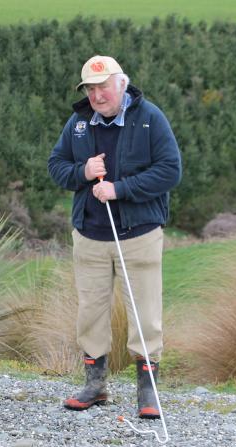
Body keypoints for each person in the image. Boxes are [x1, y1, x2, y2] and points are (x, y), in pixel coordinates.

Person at [48, 55, 182, 419]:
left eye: (103, 86)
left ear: (122, 83)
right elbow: (56, 166)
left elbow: (170, 171)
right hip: (89, 236)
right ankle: (95, 385)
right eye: (90, 89)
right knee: (90, 312)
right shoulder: (77, 123)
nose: (96, 95)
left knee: (144, 313)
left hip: (138, 235)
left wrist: (120, 189)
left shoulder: (150, 118)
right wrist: (83, 171)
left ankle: (148, 391)